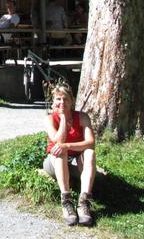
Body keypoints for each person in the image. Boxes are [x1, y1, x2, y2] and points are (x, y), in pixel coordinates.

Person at [43, 83, 96, 227]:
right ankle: (66, 201)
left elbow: (90, 142)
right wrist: (63, 119)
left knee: (89, 153)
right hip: (54, 161)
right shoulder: (50, 119)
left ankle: (84, 202)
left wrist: (68, 146)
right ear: (53, 101)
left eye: (65, 99)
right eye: (58, 99)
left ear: (72, 101)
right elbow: (58, 141)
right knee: (61, 152)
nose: (62, 103)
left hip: (75, 161)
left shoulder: (82, 117)